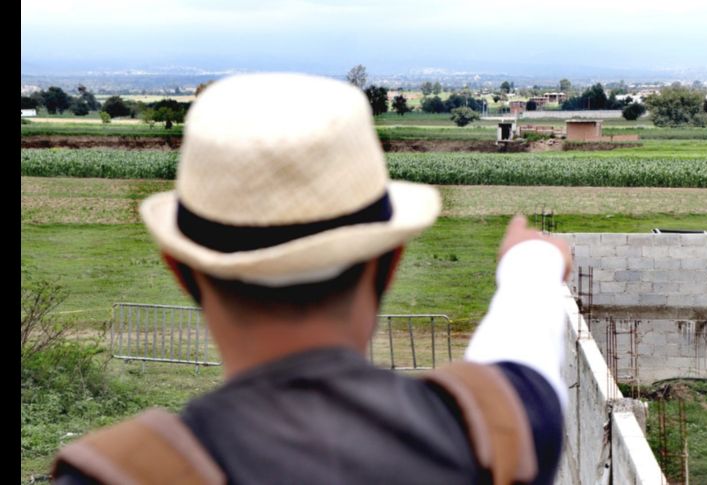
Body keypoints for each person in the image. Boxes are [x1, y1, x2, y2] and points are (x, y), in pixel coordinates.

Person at [52, 73, 571, 484]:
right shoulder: (501, 438)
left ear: (183, 272)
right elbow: (523, 350)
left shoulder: (118, 474)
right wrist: (530, 264)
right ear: (389, 262)